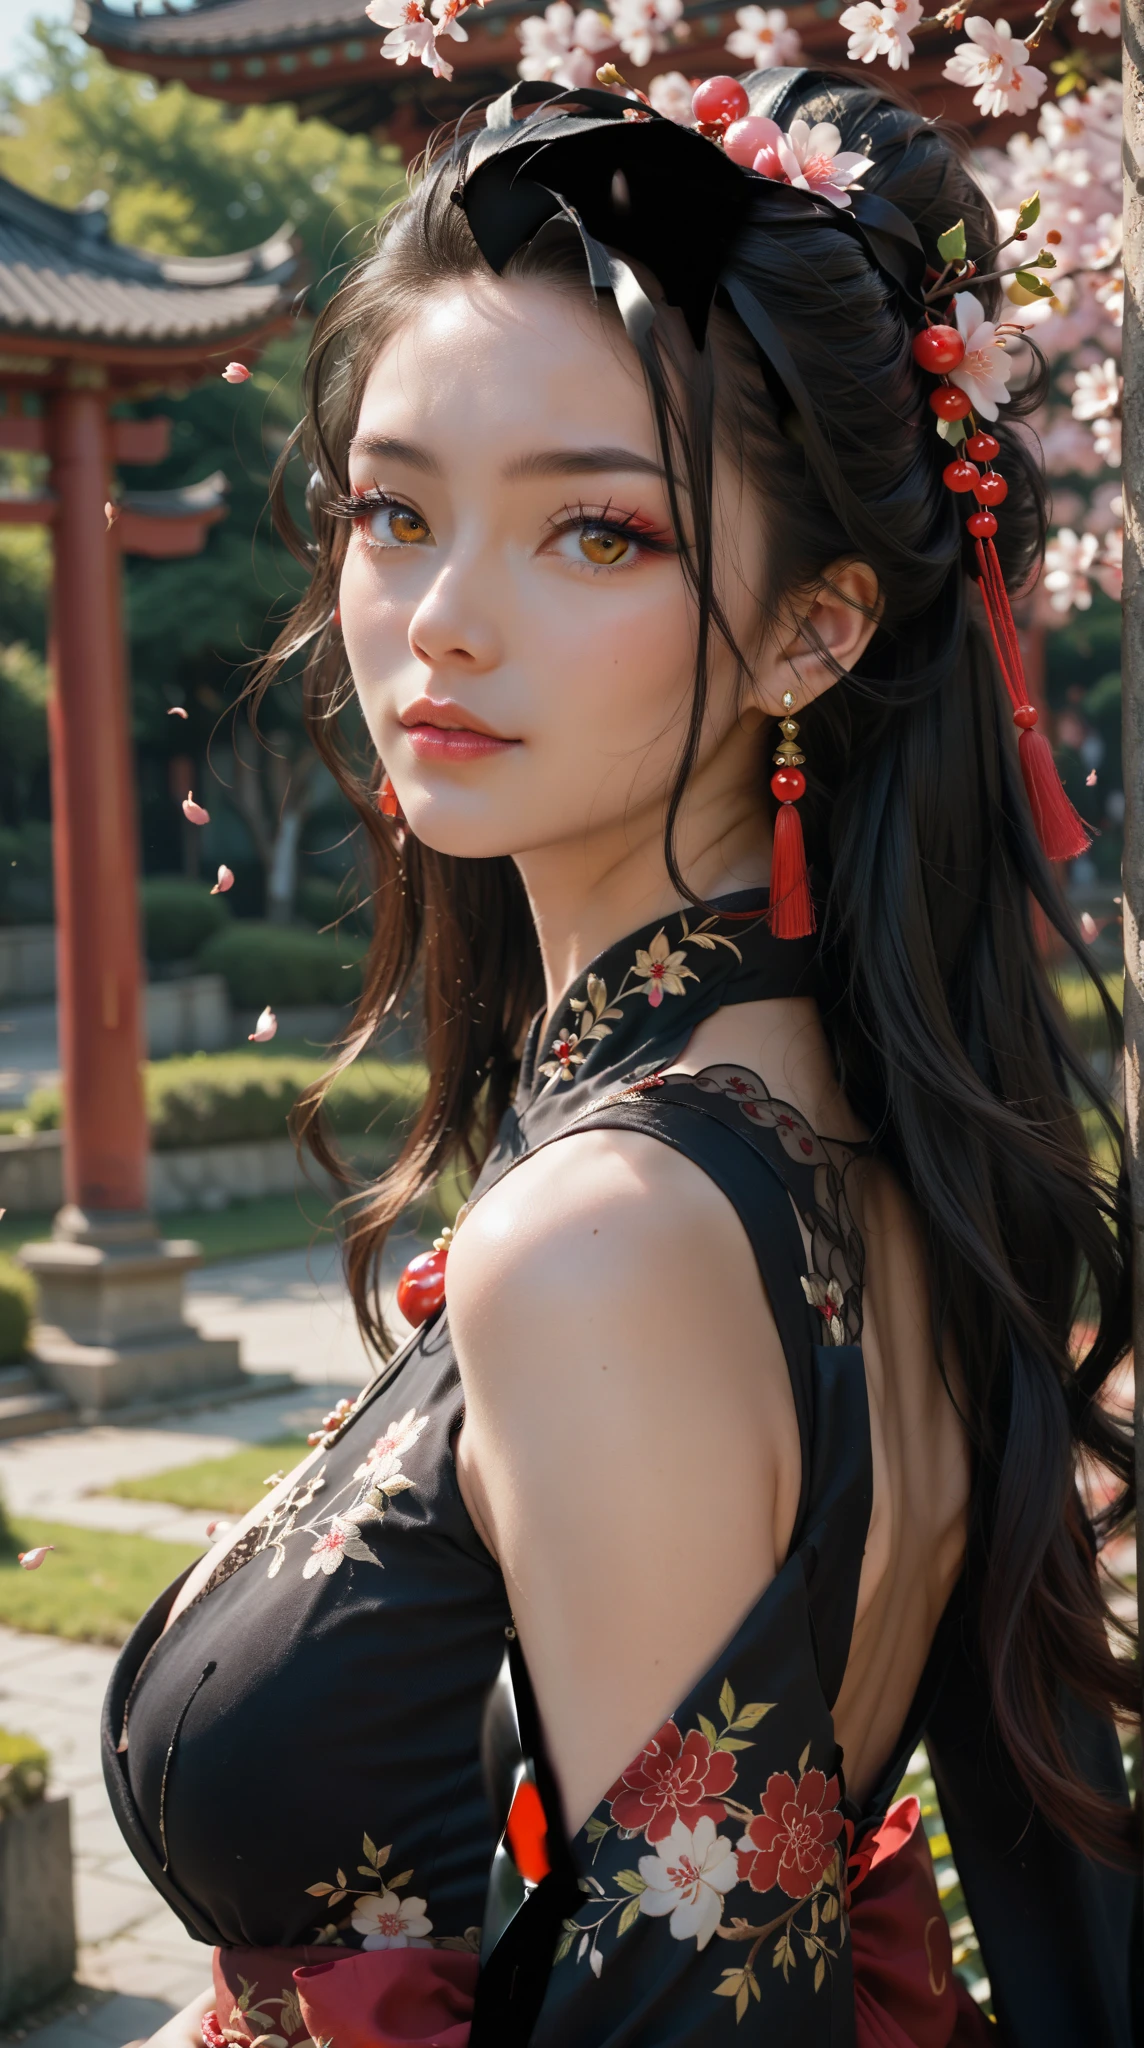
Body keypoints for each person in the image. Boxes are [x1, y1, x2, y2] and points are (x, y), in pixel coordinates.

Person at [104, 63, 1140, 2048]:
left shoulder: (605, 1241)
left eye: (592, 533)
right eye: (393, 511)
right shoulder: (829, 1126)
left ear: (809, 633)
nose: (438, 622)